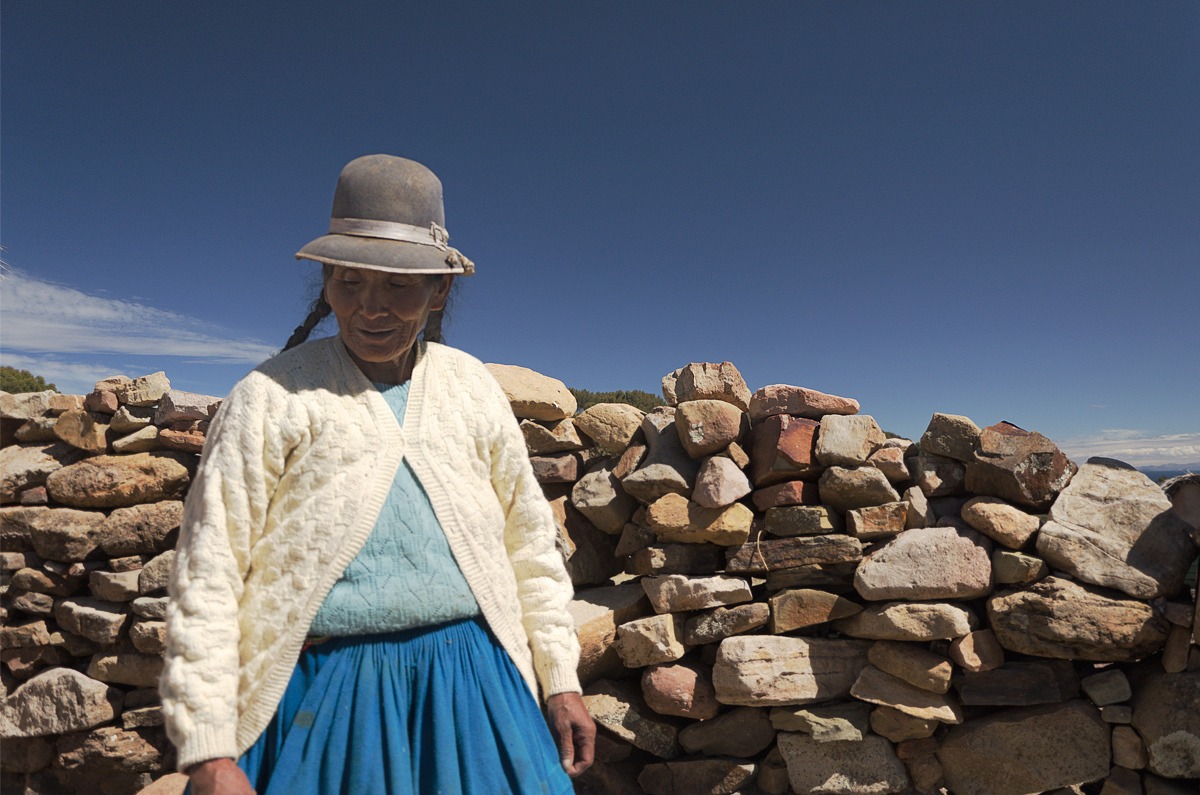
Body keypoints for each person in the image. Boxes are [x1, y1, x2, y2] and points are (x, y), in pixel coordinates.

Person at [160, 154, 595, 794]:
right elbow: (210, 569)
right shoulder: (271, 396)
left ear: (439, 289)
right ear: (327, 283)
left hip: (476, 686)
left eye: (398, 285)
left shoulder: (471, 387)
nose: (370, 308)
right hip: (324, 695)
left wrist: (559, 677)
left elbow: (528, 544)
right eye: (349, 282)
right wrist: (207, 749)